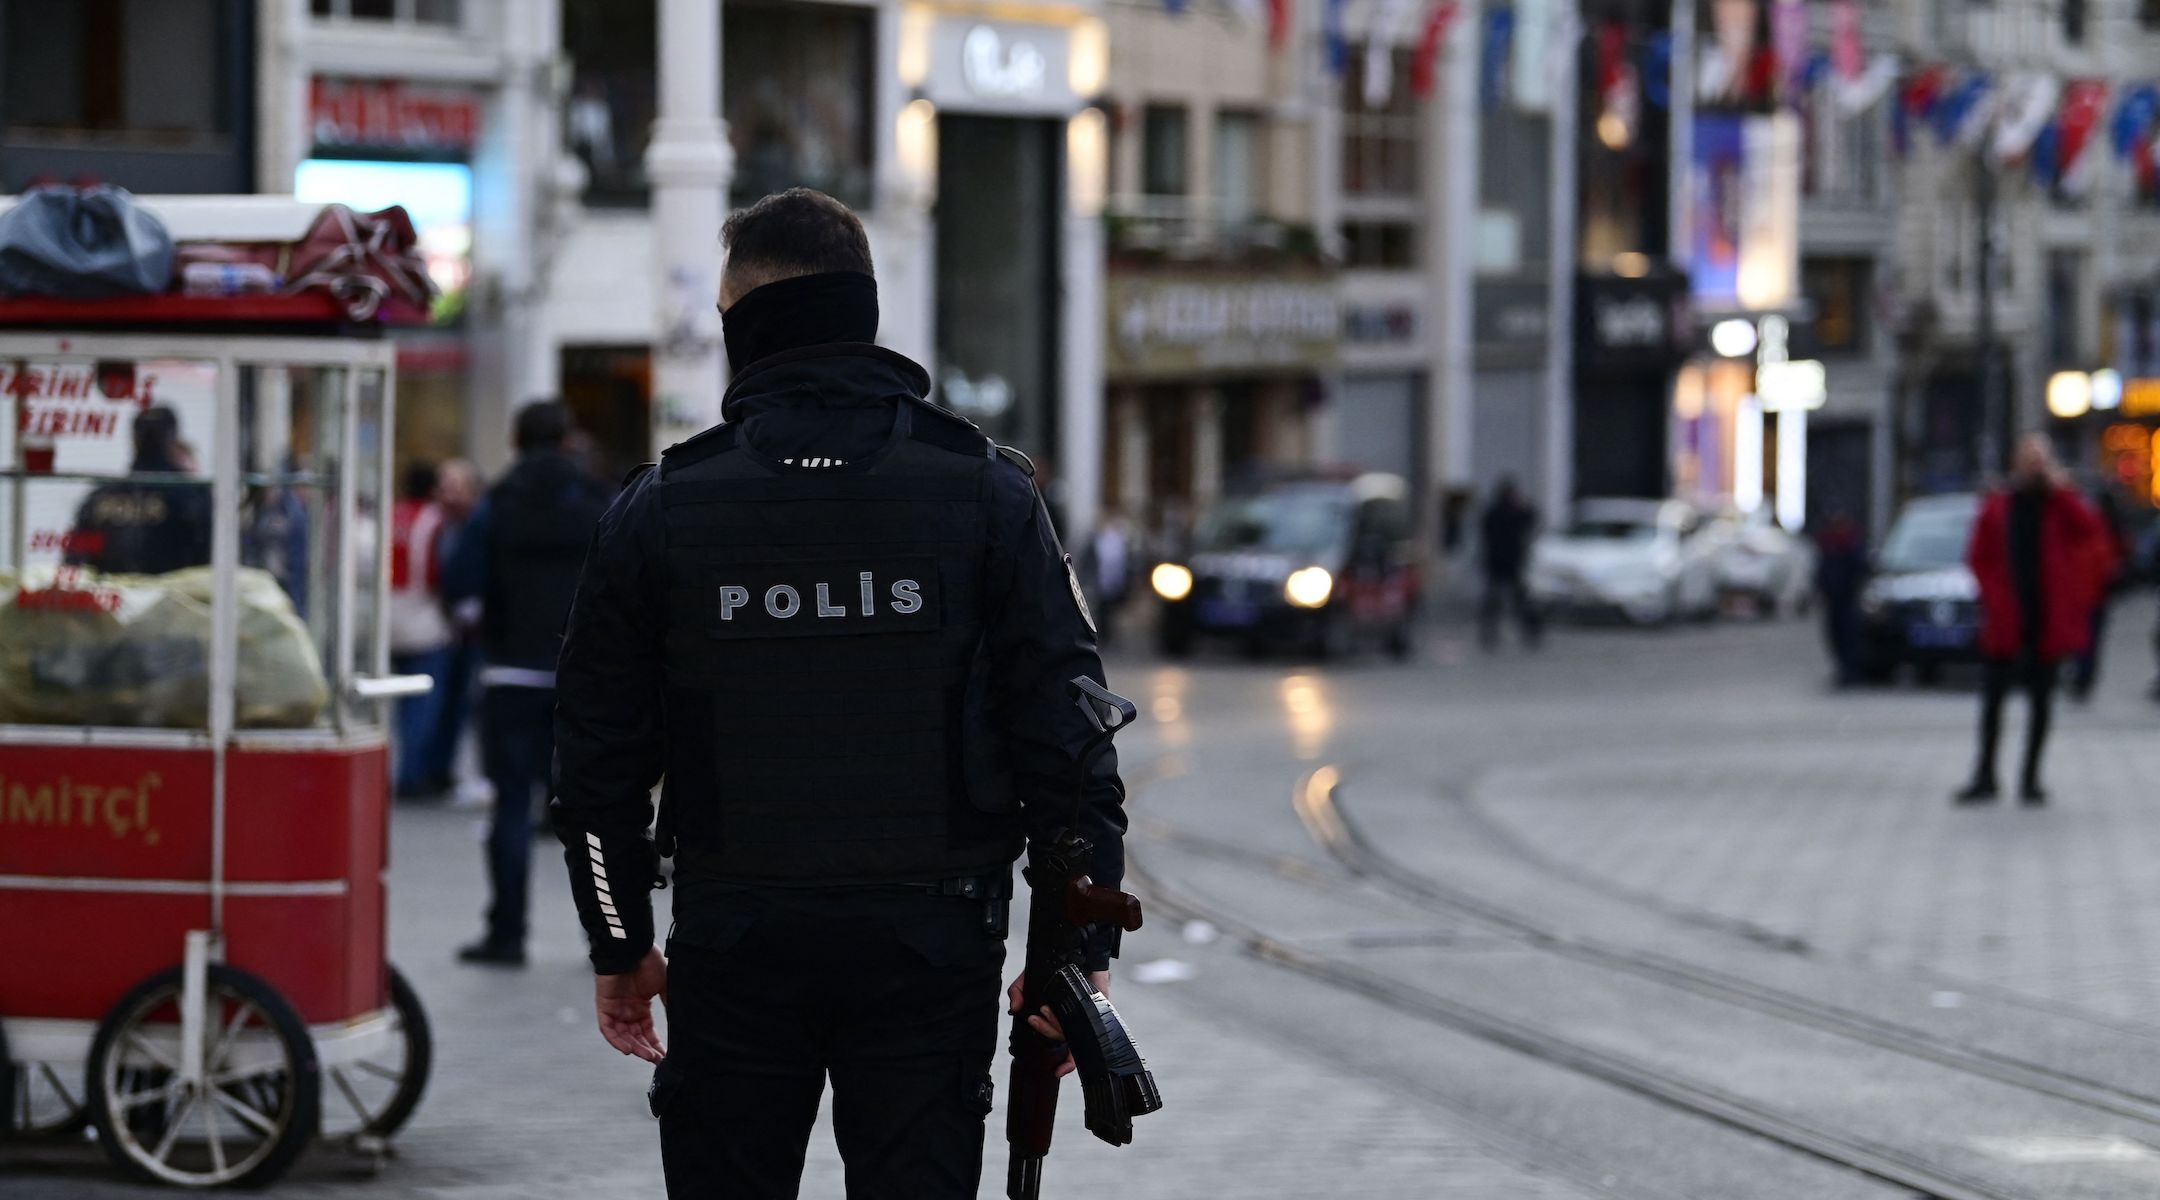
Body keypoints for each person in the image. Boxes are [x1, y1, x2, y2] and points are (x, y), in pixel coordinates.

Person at [550, 188, 1128, 1198]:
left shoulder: (664, 507)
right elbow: (1069, 735)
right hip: (931, 938)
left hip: (738, 937)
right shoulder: (989, 493)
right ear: (861, 313)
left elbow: (595, 759)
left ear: (747, 325)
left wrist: (621, 943)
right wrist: (1075, 952)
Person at [444, 403, 612, 965]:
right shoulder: (597, 500)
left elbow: (461, 583)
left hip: (510, 672)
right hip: (583, 678)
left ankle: (507, 933)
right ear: (567, 440)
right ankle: (606, 938)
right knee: (591, 814)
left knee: (512, 806)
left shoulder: (495, 504)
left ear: (515, 439)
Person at [1956, 435, 2115, 806]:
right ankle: (1986, 775)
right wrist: (1993, 596)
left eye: (2040, 460)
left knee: (2041, 702)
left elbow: (2089, 531)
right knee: (1993, 702)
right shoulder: (1999, 505)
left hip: (2045, 618)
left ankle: (2030, 778)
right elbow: (1978, 555)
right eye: (2028, 459)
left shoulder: (2060, 504)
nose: (2033, 466)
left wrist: (2061, 491)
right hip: (2005, 618)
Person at [66, 405, 212, 576]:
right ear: (173, 439)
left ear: (134, 439)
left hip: (114, 598)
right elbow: (208, 567)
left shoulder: (99, 497)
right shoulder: (193, 496)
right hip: (176, 600)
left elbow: (73, 566)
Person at [389, 462, 454, 798]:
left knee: (398, 704)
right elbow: (440, 571)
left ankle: (403, 768)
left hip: (389, 615)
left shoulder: (392, 513)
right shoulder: (434, 520)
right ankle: (412, 774)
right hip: (424, 618)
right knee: (423, 706)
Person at [418, 459, 483, 798]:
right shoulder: (437, 525)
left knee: (463, 701)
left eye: (455, 486)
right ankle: (433, 769)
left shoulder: (480, 524)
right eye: (443, 485)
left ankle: (444, 770)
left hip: (472, 630)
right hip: (442, 624)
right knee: (442, 701)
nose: (446, 494)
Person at [2066, 488, 2129, 702]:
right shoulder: (2104, 529)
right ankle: (2083, 677)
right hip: (2092, 594)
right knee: (2089, 639)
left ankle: (2082, 677)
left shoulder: (2095, 530)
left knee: (2086, 639)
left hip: (2088, 594)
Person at [1476, 477, 1542, 650]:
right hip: (1505, 562)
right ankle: (1496, 633)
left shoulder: (1497, 512)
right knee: (1504, 601)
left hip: (1505, 562)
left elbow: (1530, 519)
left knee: (1506, 601)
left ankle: (1496, 634)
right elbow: (1530, 519)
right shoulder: (1503, 512)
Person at [1813, 511, 1870, 686]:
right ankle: (1844, 669)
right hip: (1834, 599)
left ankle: (1851, 671)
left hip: (1848, 598)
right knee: (1835, 635)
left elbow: (1860, 568)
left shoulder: (1851, 542)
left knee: (1848, 636)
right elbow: (1821, 569)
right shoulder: (1828, 541)